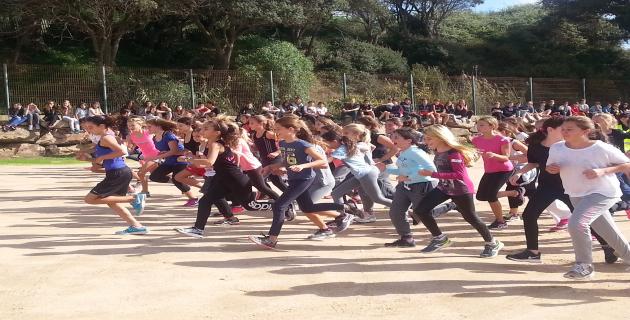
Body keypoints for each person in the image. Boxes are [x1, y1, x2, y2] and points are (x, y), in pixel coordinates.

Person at [248, 116, 355, 248]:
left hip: (304, 179)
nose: (276, 132)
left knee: (279, 206)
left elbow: (322, 161)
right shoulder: (283, 143)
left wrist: (303, 166)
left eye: (279, 129)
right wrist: (272, 167)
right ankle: (345, 207)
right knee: (307, 208)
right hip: (294, 179)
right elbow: (288, 161)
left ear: (291, 129)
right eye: (275, 129)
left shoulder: (303, 144)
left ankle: (271, 239)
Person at [546, 116, 630, 280]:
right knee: (607, 231)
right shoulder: (557, 148)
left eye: (570, 129)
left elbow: (627, 164)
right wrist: (552, 169)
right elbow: (550, 167)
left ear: (586, 131)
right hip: (576, 193)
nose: (564, 132)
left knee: (577, 224)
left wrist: (603, 171)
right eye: (563, 129)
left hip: (603, 192)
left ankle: (584, 265)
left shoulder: (601, 148)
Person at [175, 117, 276, 236]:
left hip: (235, 179)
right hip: (223, 179)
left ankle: (280, 205)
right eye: (203, 128)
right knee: (204, 201)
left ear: (217, 133)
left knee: (250, 206)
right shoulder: (210, 143)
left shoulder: (215, 144)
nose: (202, 130)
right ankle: (198, 229)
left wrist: (188, 159)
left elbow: (209, 162)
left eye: (206, 128)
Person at [415, 125, 504, 257]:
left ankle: (492, 243)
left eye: (429, 139)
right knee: (420, 210)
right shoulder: (438, 151)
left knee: (471, 218)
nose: (426, 142)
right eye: (425, 139)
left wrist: (432, 174)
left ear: (440, 137)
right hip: (444, 188)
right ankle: (440, 239)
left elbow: (458, 175)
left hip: (461, 190)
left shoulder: (454, 153)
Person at [379, 127, 455, 247]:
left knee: (424, 213)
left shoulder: (416, 152)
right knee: (396, 211)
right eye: (392, 136)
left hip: (422, 185)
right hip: (405, 186)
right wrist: (386, 168)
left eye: (396, 137)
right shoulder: (403, 152)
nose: (392, 139)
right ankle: (407, 238)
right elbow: (402, 170)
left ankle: (450, 205)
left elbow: (431, 169)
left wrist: (408, 176)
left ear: (409, 141)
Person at [81, 116, 147, 235]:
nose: (89, 130)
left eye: (91, 127)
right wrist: (88, 159)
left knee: (89, 199)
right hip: (119, 172)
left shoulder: (106, 138)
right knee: (112, 202)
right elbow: (108, 158)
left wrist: (102, 158)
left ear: (101, 126)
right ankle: (136, 226)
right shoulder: (105, 137)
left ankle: (133, 198)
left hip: (118, 173)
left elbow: (121, 152)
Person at [329, 123, 393, 220]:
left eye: (346, 133)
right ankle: (344, 216)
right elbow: (372, 147)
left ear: (356, 134)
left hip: (366, 173)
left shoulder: (353, 146)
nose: (343, 136)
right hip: (364, 173)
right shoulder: (359, 144)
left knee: (378, 198)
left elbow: (330, 159)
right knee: (336, 193)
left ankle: (407, 210)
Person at [471, 116, 514, 229]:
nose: (478, 127)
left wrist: (494, 155)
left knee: (491, 195)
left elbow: (506, 157)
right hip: (490, 170)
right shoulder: (476, 140)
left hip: (504, 170)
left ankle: (500, 222)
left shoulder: (503, 140)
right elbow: (475, 154)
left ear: (492, 126)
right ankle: (514, 192)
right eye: (478, 125)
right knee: (480, 196)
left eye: (482, 125)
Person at [145, 118, 197, 204]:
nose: (148, 129)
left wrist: (156, 157)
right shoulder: (154, 138)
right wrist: (155, 155)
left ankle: (193, 198)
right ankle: (181, 182)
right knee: (154, 177)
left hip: (180, 160)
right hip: (169, 161)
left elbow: (174, 151)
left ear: (158, 126)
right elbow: (164, 151)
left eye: (149, 126)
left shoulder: (168, 135)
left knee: (177, 179)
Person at [249, 115, 287, 192]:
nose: (249, 125)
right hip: (265, 160)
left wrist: (277, 153)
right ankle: (290, 196)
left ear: (261, 123)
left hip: (274, 160)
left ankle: (272, 195)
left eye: (252, 123)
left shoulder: (268, 134)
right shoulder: (254, 135)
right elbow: (257, 148)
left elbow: (284, 142)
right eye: (249, 123)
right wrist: (251, 146)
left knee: (258, 180)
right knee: (277, 182)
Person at [126, 117, 160, 196]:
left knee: (141, 173)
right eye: (129, 126)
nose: (130, 127)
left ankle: (145, 191)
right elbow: (130, 148)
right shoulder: (130, 136)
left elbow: (161, 134)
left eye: (133, 125)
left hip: (156, 155)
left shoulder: (148, 132)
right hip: (145, 157)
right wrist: (128, 147)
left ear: (140, 125)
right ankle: (179, 181)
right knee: (157, 176)